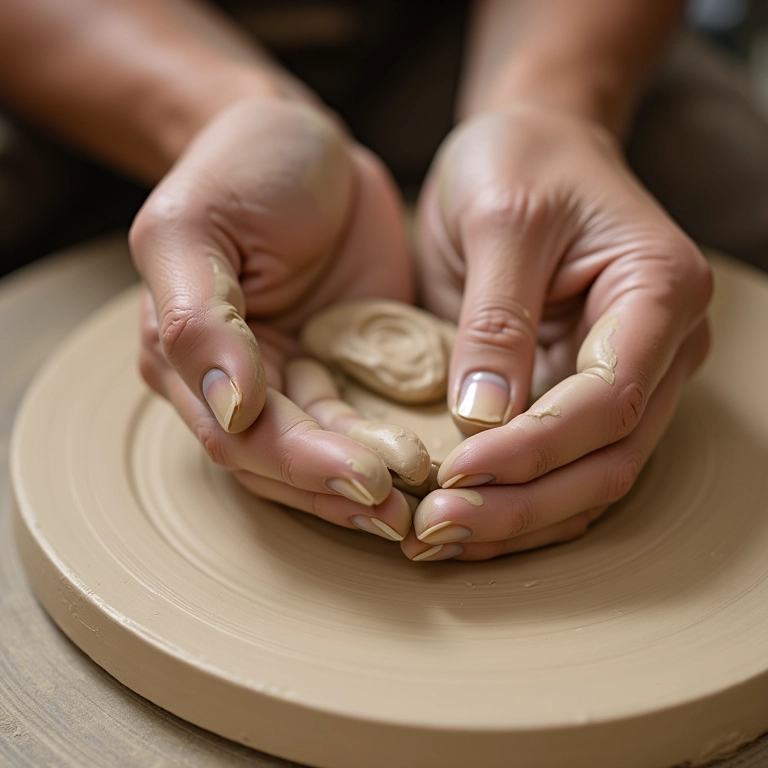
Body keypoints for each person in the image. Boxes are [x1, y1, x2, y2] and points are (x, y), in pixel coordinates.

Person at [0, 0, 716, 561]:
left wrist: (554, 107)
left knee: (724, 179)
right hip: (110, 37)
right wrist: (223, 112)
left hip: (472, 29)